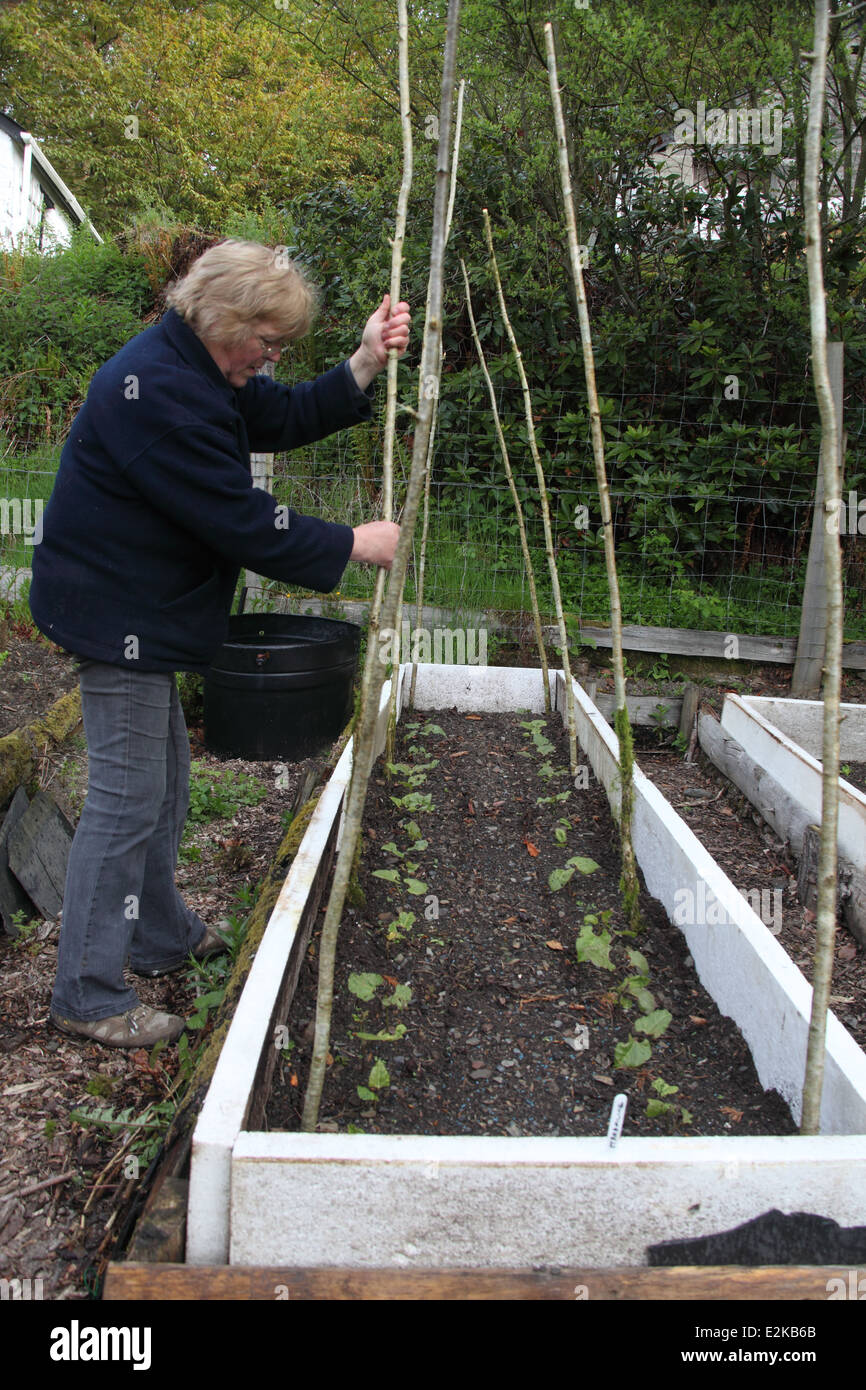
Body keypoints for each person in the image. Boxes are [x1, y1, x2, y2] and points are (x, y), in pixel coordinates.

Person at [29, 238, 409, 1047]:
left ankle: (157, 933)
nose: (272, 358)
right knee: (127, 799)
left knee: (162, 784)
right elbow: (243, 523)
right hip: (116, 614)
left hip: (145, 611)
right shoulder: (157, 391)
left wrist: (363, 363)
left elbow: (280, 414)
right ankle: (86, 994)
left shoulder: (197, 365)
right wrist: (351, 543)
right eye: (267, 343)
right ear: (225, 320)